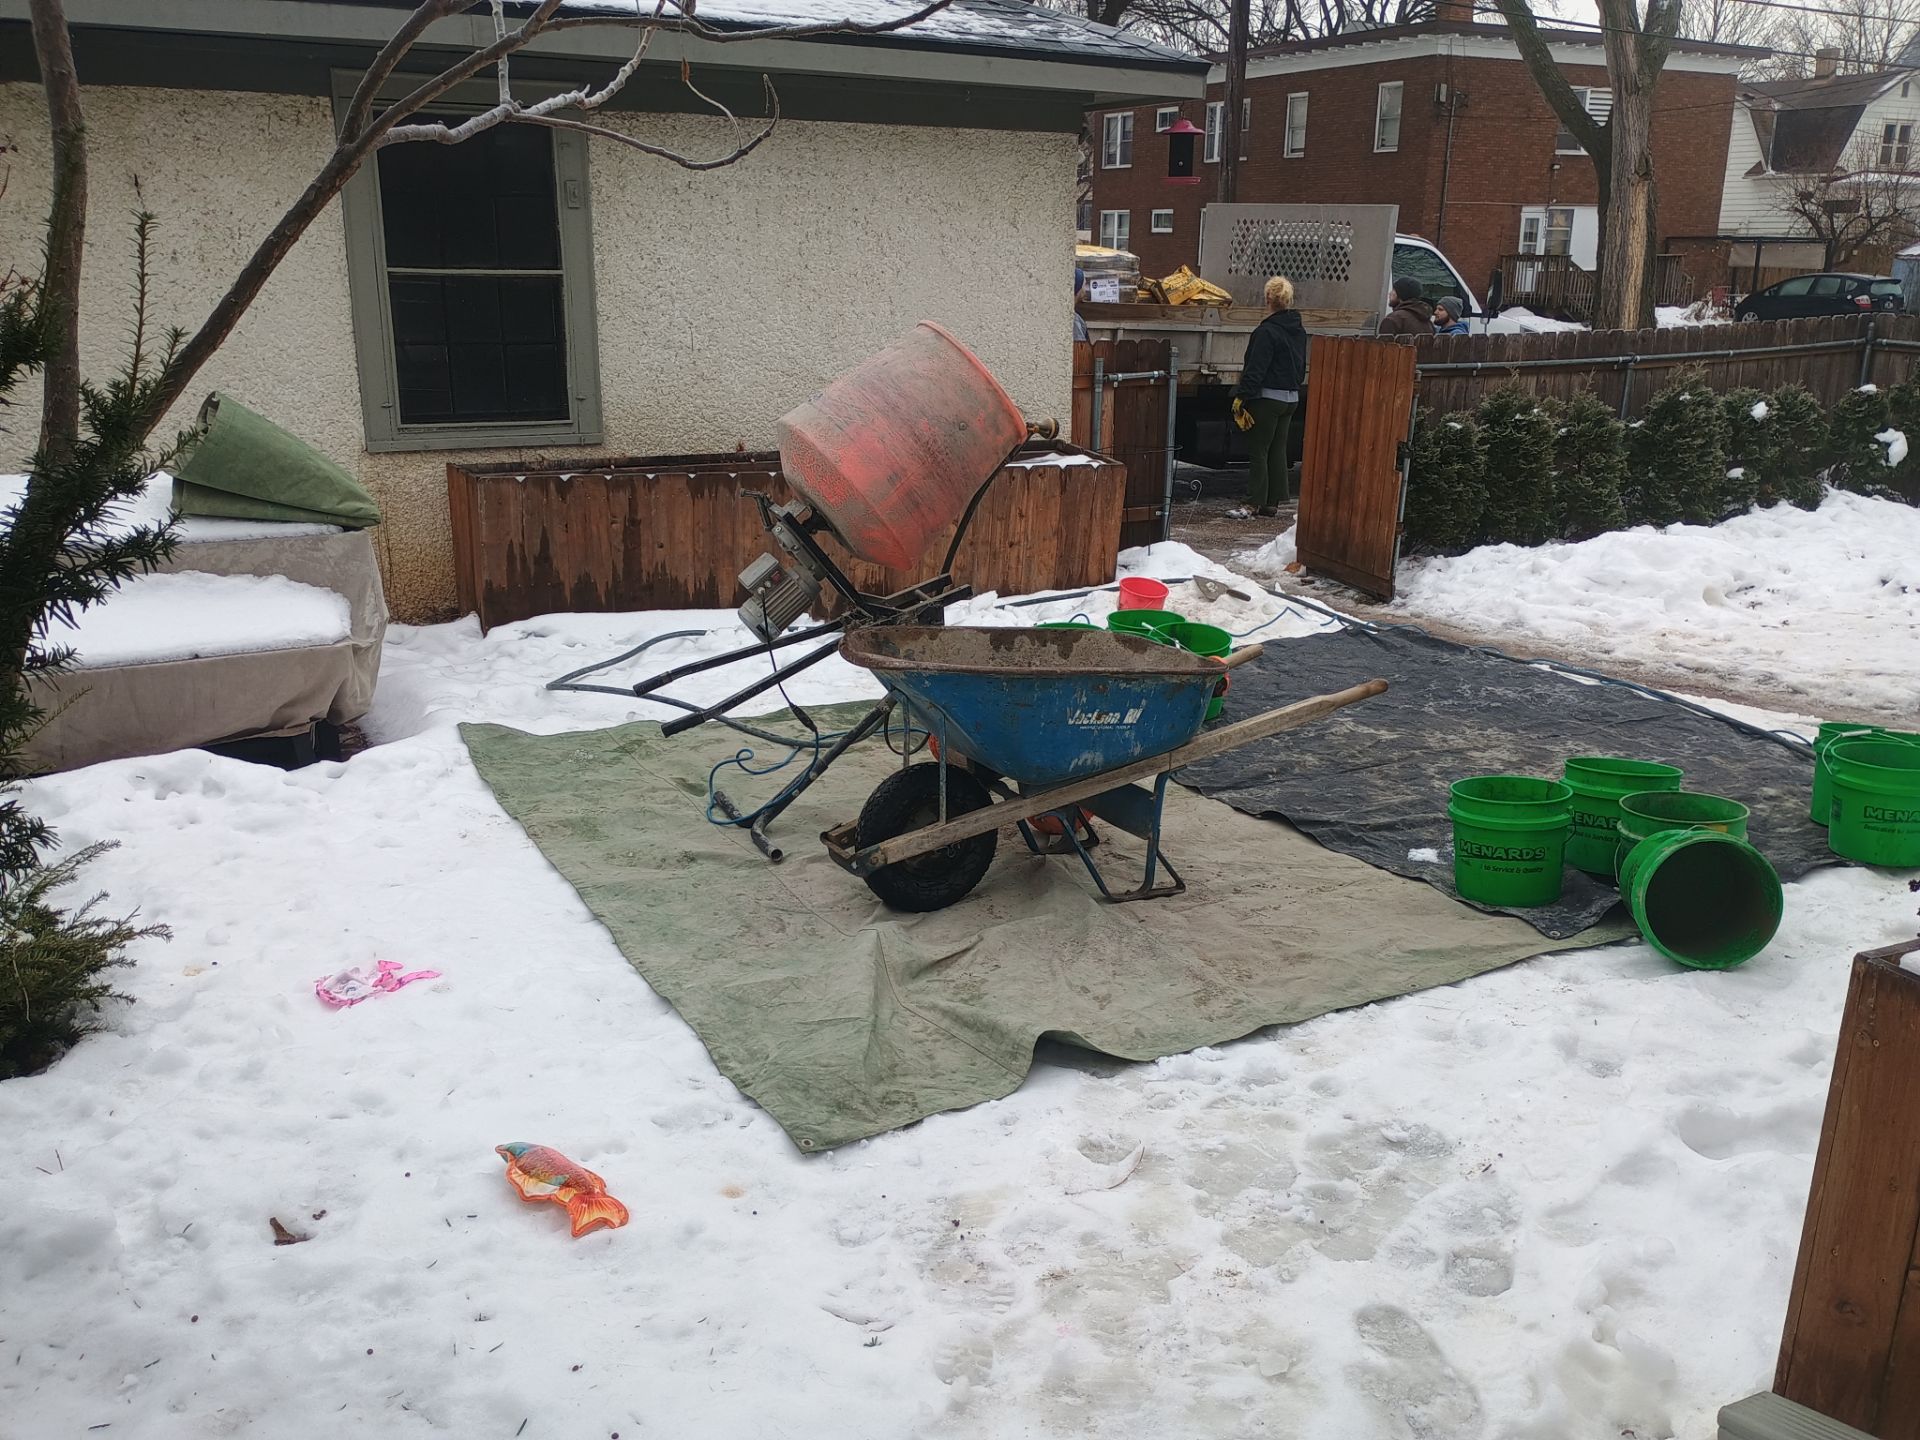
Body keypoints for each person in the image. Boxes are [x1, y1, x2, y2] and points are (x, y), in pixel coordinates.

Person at [1226, 275, 1307, 519]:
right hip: (1290, 399)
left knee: (1259, 450)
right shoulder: (1298, 330)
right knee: (1277, 450)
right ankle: (1272, 502)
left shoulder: (1266, 332)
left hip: (1267, 399)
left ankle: (1252, 502)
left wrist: (1241, 397)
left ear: (1268, 298)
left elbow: (1255, 369)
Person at [1073, 266, 1090, 343]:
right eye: (1084, 284)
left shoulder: (1075, 315)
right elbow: (1080, 348)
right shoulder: (1073, 320)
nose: (1086, 289)